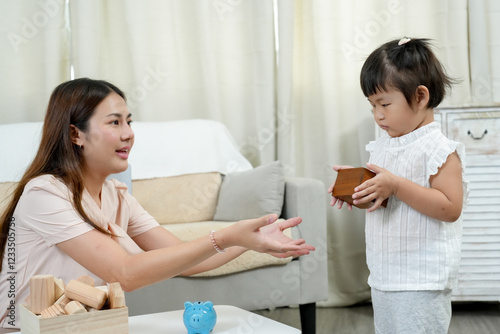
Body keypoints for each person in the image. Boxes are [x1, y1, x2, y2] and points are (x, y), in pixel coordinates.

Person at [0, 78, 315, 329]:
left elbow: (191, 260)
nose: (128, 134)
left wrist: (249, 241)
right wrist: (227, 235)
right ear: (75, 135)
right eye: (114, 123)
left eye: (129, 122)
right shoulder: (45, 193)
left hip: (83, 326)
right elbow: (124, 273)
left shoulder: (116, 195)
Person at [328, 37, 468, 333]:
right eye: (372, 106)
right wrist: (360, 191)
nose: (378, 114)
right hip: (385, 274)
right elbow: (387, 198)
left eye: (384, 103)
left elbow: (450, 207)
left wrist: (395, 186)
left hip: (422, 279)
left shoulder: (439, 149)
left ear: (420, 97)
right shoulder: (385, 146)